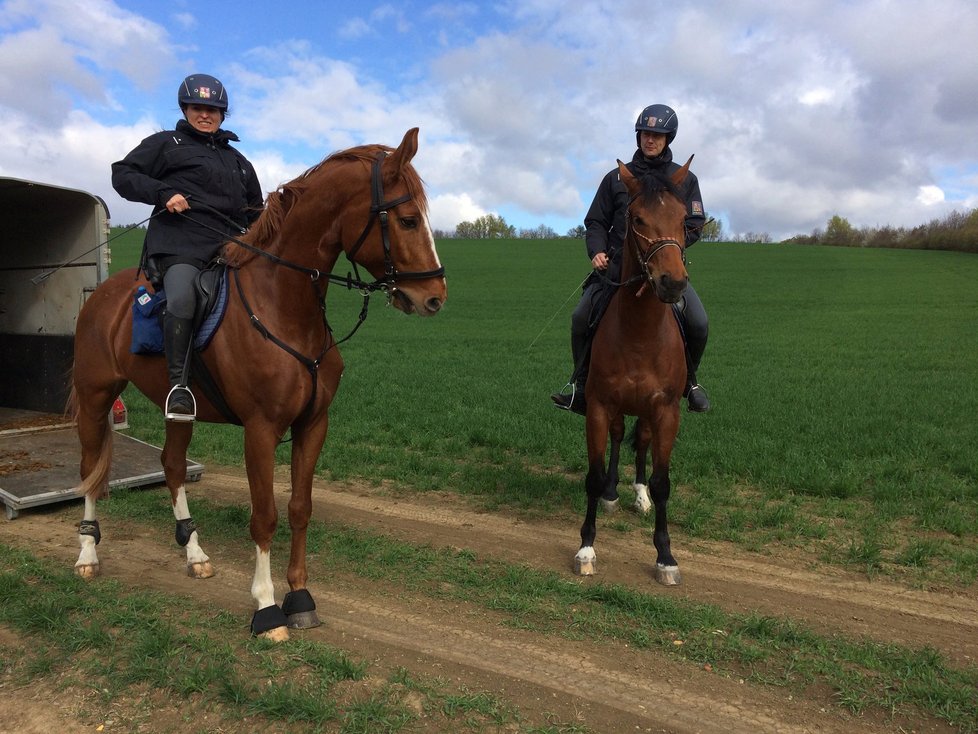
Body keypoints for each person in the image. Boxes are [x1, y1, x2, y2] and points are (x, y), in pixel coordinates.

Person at [112, 73, 263, 422]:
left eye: (213, 109)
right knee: (182, 298)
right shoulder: (167, 144)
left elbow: (256, 212)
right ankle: (179, 389)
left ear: (223, 114)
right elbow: (122, 174)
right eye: (198, 108)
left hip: (230, 249)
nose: (205, 115)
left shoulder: (240, 162)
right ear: (185, 109)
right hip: (181, 245)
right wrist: (163, 194)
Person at [552, 103, 711, 415]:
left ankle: (690, 383)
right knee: (581, 318)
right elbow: (596, 222)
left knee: (698, 322)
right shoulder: (616, 178)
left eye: (657, 135)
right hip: (617, 270)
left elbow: (692, 226)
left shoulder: (683, 180)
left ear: (668, 139)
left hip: (663, 270)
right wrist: (596, 251)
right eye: (645, 134)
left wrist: (667, 252)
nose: (649, 140)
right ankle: (582, 387)